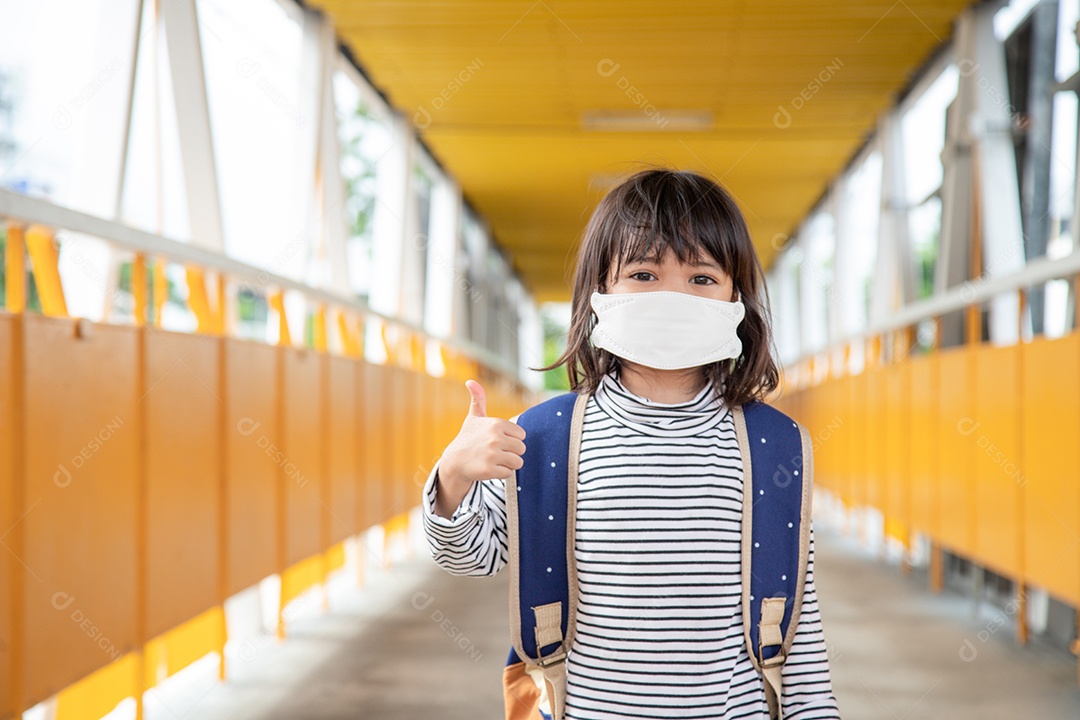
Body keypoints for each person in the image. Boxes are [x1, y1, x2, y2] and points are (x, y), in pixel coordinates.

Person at [421, 168, 842, 719]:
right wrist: (453, 477)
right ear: (601, 292)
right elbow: (470, 558)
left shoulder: (775, 448)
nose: (672, 297)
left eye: (700, 279)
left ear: (736, 297)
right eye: (643, 274)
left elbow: (799, 640)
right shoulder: (546, 437)